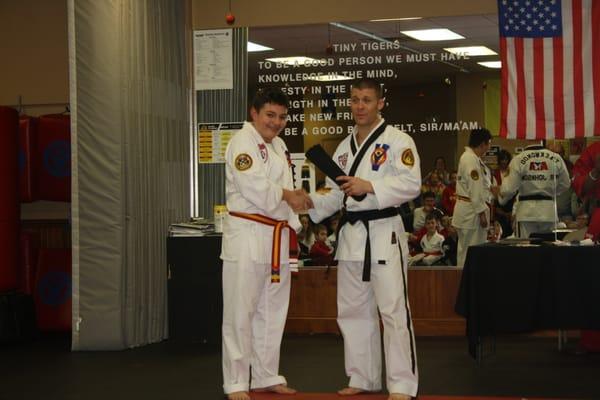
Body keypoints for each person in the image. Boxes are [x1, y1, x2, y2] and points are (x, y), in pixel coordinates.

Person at [307, 78, 421, 400]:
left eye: (367, 100)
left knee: (393, 312)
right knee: (353, 311)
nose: (360, 106)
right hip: (352, 237)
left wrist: (369, 186)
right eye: (355, 100)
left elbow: (411, 185)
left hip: (384, 234)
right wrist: (308, 205)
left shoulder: (399, 141)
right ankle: (363, 377)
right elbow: (334, 194)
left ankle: (401, 384)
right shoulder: (344, 147)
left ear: (380, 103)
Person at [220, 87, 312, 400]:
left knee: (272, 311)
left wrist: (297, 208)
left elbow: (287, 189)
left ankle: (265, 375)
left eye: (282, 117)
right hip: (246, 234)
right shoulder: (241, 142)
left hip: (276, 234)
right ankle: (235, 382)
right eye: (270, 115)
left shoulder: (281, 146)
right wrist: (289, 197)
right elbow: (254, 186)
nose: (276, 122)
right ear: (254, 113)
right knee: (240, 312)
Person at [494, 143, 570, 239]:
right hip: (548, 211)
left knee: (526, 248)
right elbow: (565, 184)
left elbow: (508, 189)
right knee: (547, 247)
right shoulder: (556, 158)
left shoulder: (518, 159)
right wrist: (550, 192)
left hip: (526, 212)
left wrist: (500, 196)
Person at [571, 141, 600, 353]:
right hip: (599, 217)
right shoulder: (594, 150)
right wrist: (597, 170)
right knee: (594, 279)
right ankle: (592, 341)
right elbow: (581, 187)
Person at [451, 128, 493, 267]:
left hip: (470, 210)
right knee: (470, 251)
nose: (489, 148)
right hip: (471, 213)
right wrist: (481, 212)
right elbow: (474, 188)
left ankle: (467, 282)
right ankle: (466, 283)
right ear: (482, 144)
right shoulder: (469, 159)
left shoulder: (473, 158)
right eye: (489, 144)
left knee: (468, 251)